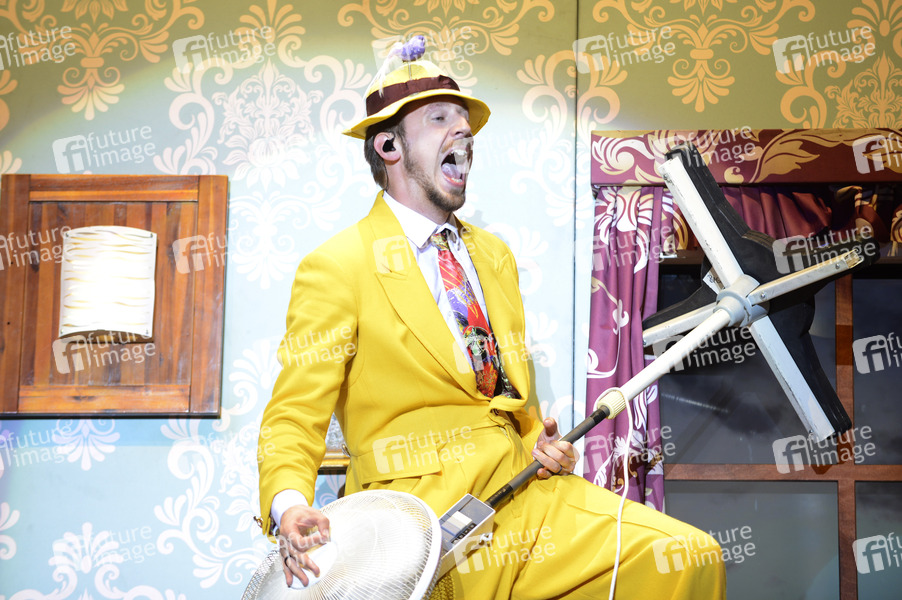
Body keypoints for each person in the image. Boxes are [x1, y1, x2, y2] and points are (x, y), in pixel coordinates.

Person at [257, 38, 726, 599]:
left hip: (526, 493)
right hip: (420, 522)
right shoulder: (337, 265)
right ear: (388, 145)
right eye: (439, 119)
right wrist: (289, 505)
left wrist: (542, 448)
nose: (463, 130)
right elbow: (293, 416)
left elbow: (510, 396)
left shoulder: (494, 255)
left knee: (686, 558)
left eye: (464, 121)